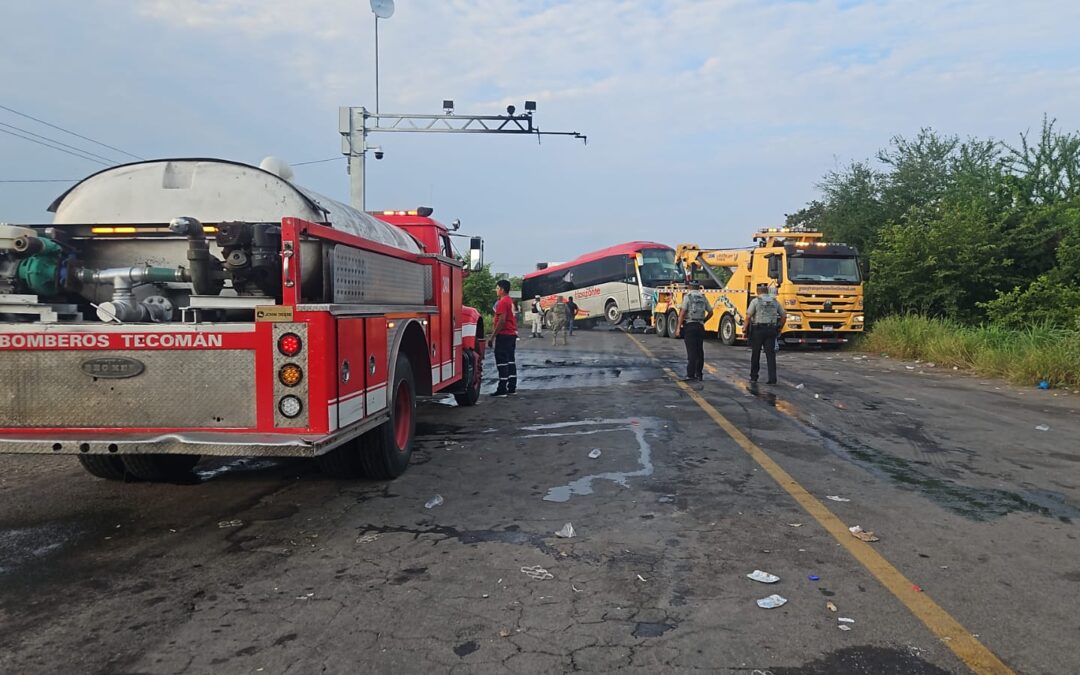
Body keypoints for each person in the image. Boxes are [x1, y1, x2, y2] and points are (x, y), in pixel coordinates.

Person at [746, 282, 786, 384]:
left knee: (756, 353)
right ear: (767, 291)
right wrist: (780, 327)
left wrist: (744, 328)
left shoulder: (755, 301)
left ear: (758, 291)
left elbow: (748, 316)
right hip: (771, 329)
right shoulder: (775, 301)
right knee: (770, 355)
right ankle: (772, 379)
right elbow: (783, 316)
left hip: (758, 330)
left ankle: (754, 377)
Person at [674, 281, 713, 381]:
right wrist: (704, 320)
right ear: (699, 287)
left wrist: (678, 328)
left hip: (690, 325)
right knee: (699, 351)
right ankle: (699, 374)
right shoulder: (703, 297)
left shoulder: (688, 297)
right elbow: (710, 312)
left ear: (690, 287)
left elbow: (682, 313)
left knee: (691, 351)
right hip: (700, 326)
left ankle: (690, 374)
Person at [491, 279, 518, 396]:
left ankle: (502, 388)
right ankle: (511, 387)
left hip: (504, 335)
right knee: (510, 361)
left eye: (497, 288)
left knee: (502, 362)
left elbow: (501, 321)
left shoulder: (502, 302)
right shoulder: (509, 301)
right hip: (511, 335)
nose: (496, 290)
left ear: (502, 290)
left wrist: (492, 336)